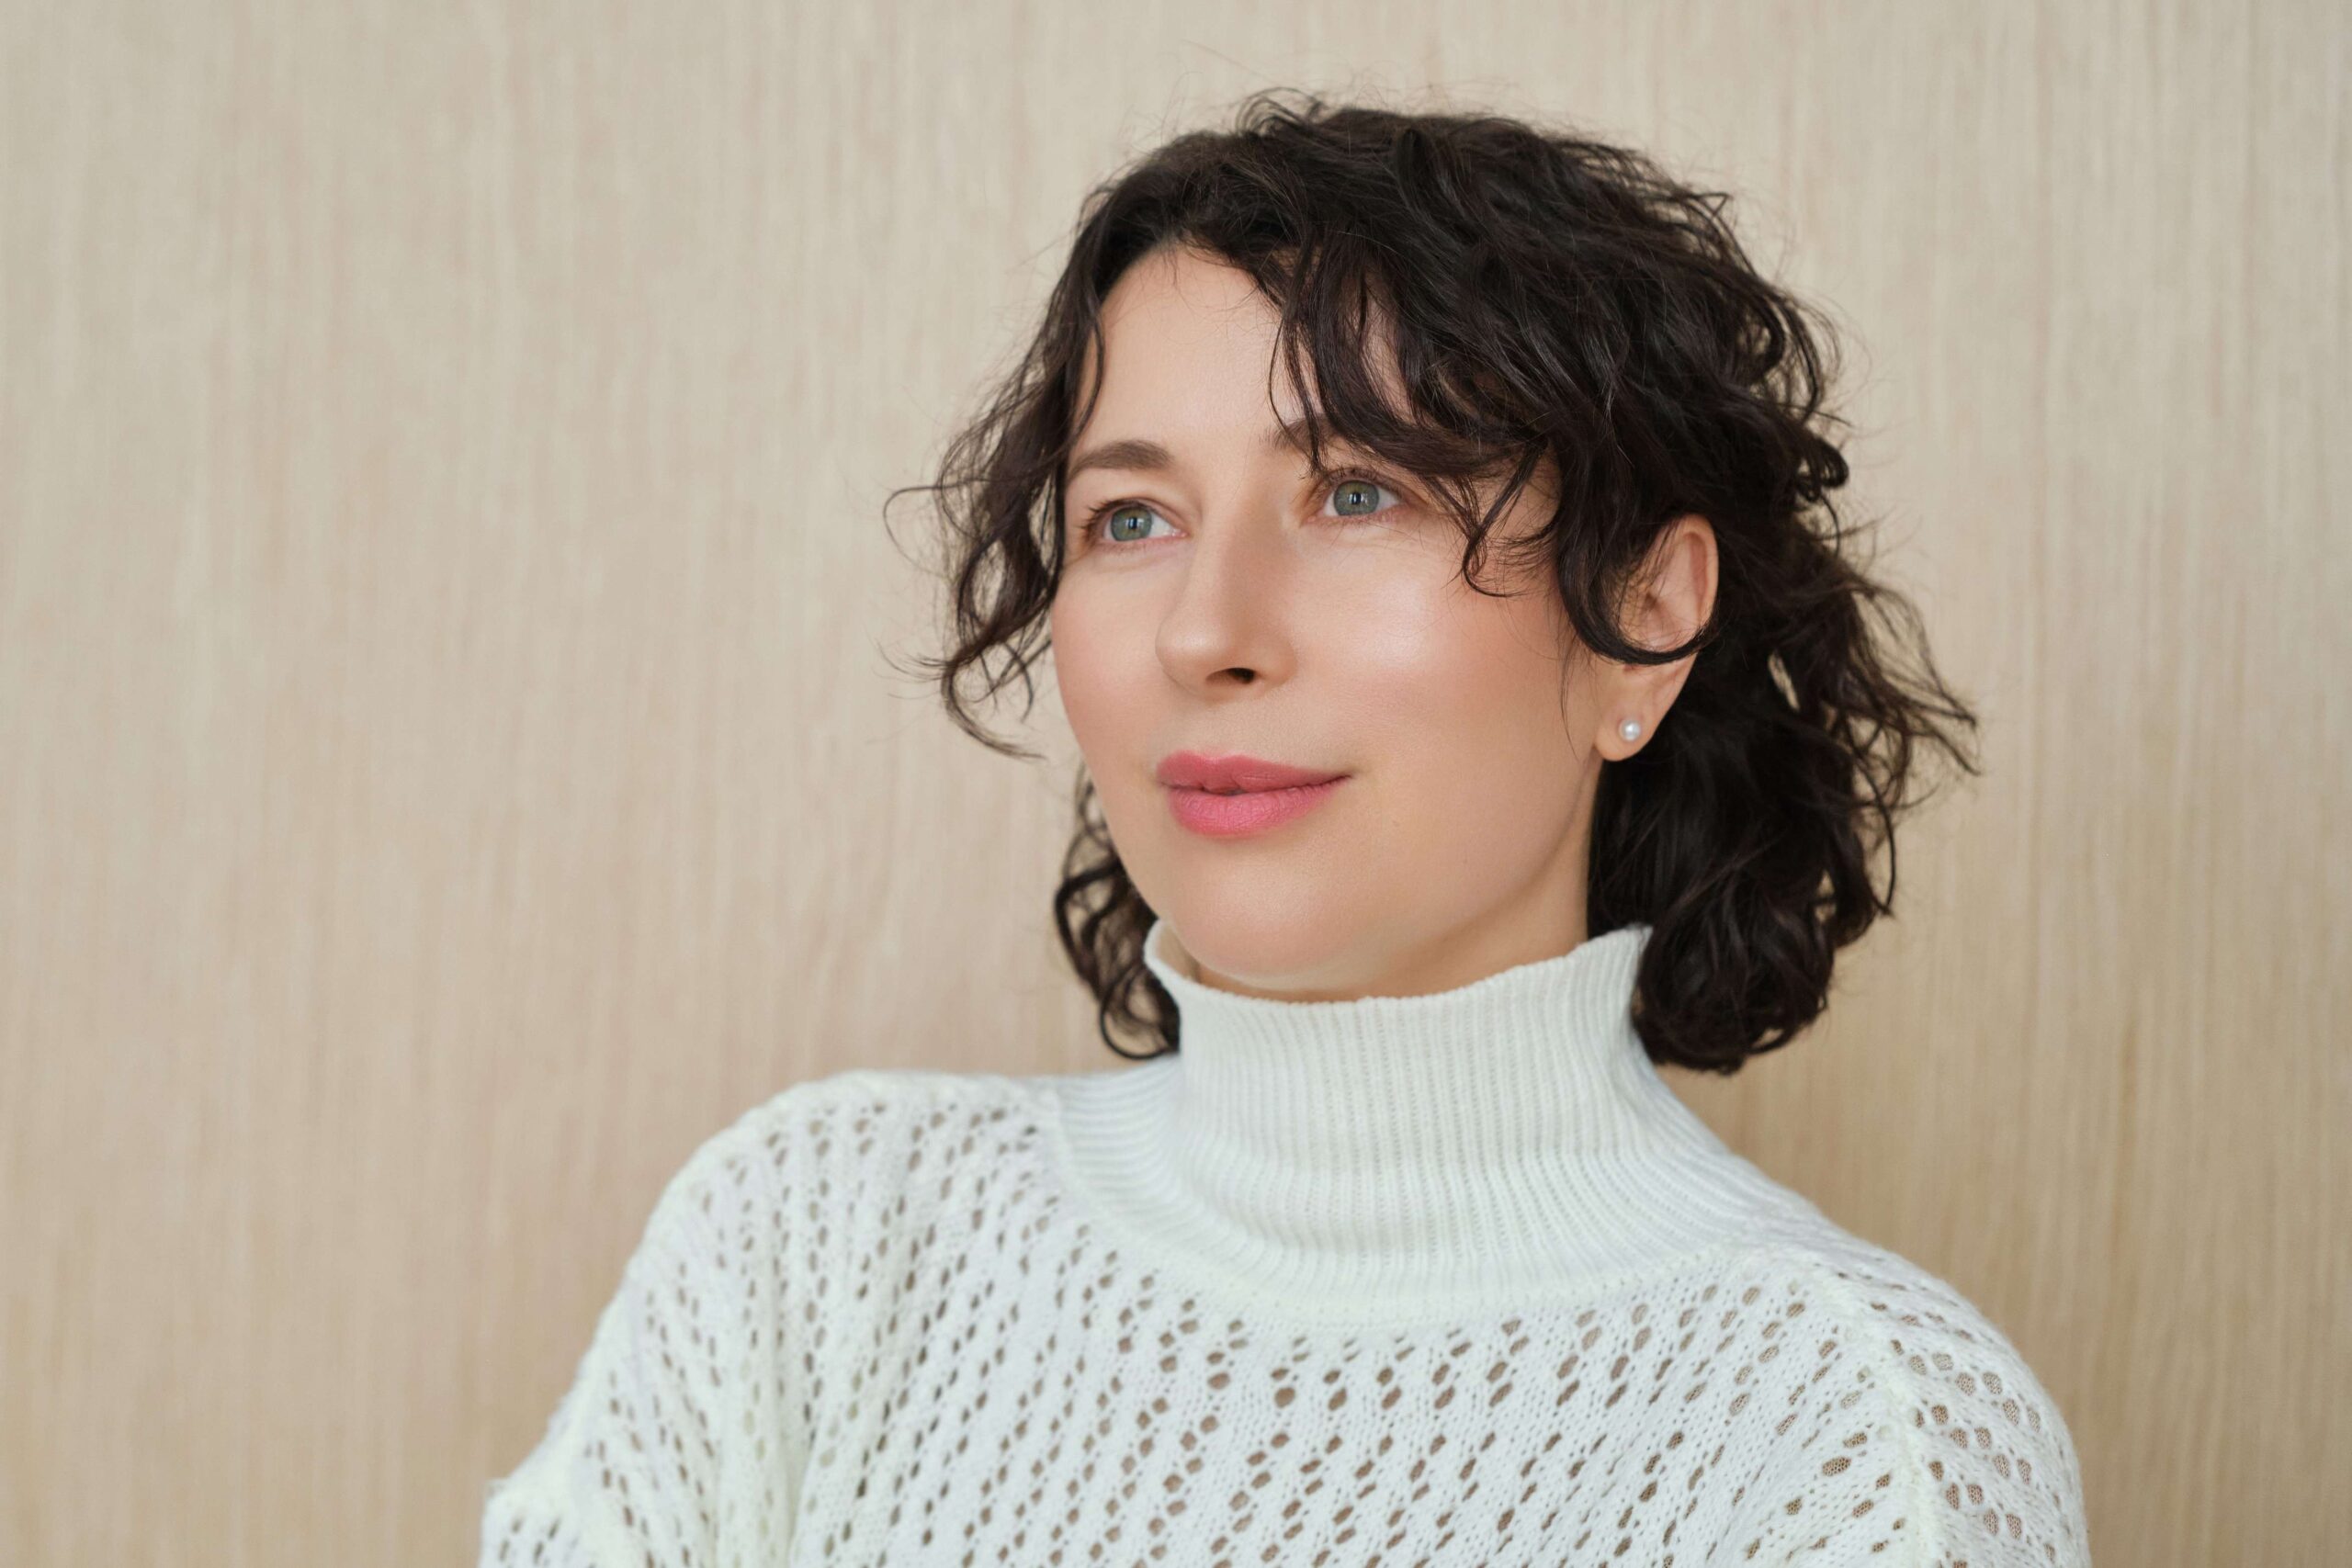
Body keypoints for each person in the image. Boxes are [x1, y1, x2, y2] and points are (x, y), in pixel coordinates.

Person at [479, 89, 2092, 1566]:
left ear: (1643, 617)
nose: (1206, 632)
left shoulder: (1849, 1444)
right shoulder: (815, 1247)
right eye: (1131, 517)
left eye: (1358, 492)